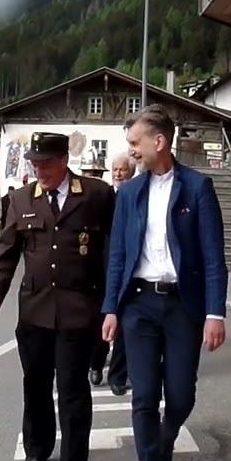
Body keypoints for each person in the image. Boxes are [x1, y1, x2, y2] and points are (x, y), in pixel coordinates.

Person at [101, 106, 227, 461]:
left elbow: (213, 257)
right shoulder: (128, 194)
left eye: (135, 143)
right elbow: (117, 255)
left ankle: (165, 436)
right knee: (143, 395)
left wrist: (215, 313)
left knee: (181, 394)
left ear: (160, 141)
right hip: (137, 304)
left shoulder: (197, 188)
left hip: (181, 306)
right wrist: (111, 309)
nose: (131, 152)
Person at [0, 131, 115, 461]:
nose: (41, 171)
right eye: (35, 165)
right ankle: (37, 448)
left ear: (64, 160)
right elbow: (5, 257)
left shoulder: (97, 195)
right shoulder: (21, 200)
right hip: (35, 311)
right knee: (36, 385)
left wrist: (111, 304)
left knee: (73, 393)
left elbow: (111, 252)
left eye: (47, 164)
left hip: (79, 311)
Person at [90, 153, 138, 394]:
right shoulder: (105, 197)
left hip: (131, 268)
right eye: (115, 169)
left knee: (126, 322)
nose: (118, 174)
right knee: (102, 319)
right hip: (103, 267)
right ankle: (96, 363)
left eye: (123, 170)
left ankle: (118, 375)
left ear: (132, 172)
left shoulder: (140, 196)